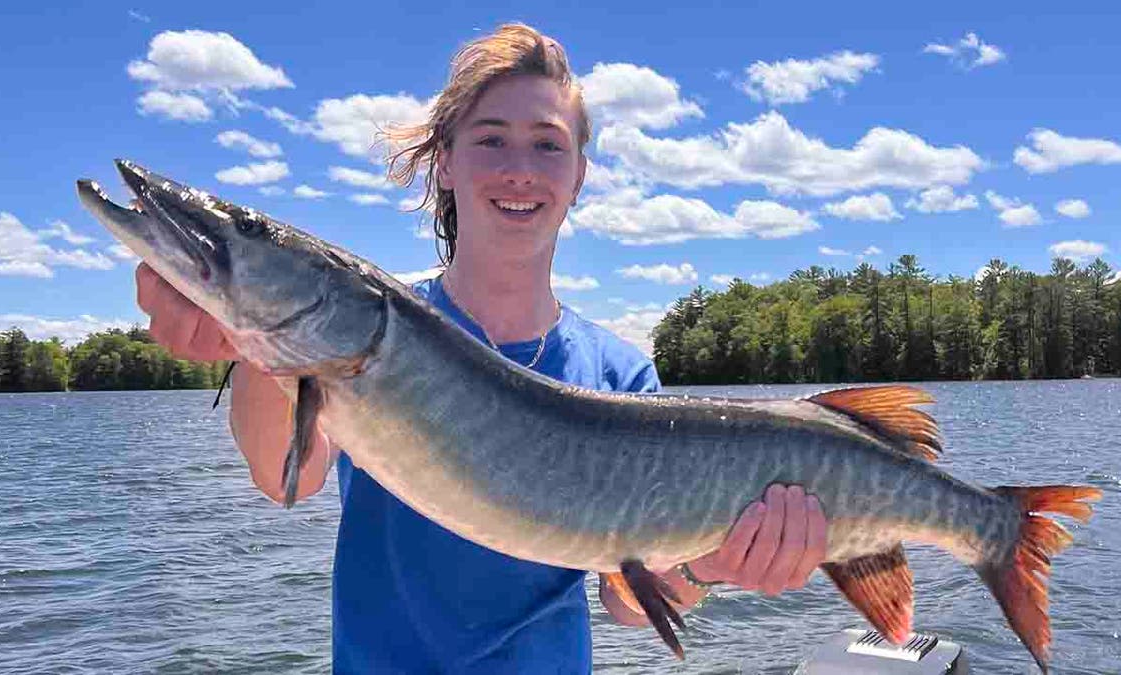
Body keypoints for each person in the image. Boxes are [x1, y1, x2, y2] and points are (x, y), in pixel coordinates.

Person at [134, 23, 827, 674]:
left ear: (578, 176)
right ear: (446, 164)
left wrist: (709, 565)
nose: (520, 169)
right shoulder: (368, 328)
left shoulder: (618, 371)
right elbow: (286, 476)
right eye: (491, 140)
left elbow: (623, 595)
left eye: (548, 144)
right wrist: (249, 343)